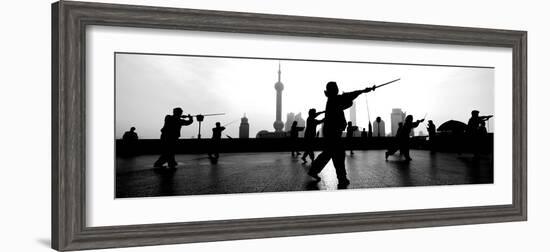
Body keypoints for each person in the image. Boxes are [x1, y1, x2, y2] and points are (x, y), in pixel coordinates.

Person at [308, 81, 375, 187]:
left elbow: (347, 97)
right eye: (336, 88)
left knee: (328, 154)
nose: (337, 89)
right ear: (334, 90)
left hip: (331, 132)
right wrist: (363, 91)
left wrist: (363, 91)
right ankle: (341, 178)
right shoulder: (334, 99)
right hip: (333, 133)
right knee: (338, 155)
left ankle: (316, 170)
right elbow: (349, 96)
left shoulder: (332, 99)